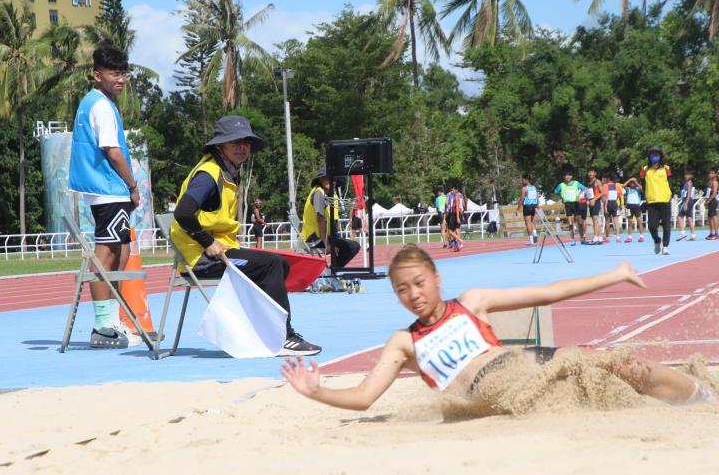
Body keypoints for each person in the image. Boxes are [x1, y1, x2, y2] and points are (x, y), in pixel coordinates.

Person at [281, 244, 715, 412]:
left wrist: (613, 274)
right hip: (492, 395)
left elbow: (548, 293)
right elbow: (364, 396)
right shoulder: (403, 342)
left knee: (616, 366)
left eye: (419, 283)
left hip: (530, 365)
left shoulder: (472, 302)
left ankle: (700, 398)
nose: (413, 294)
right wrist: (316, 391)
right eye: (401, 290)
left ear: (436, 280)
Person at [171, 115, 321, 356]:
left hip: (221, 251)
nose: (242, 147)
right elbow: (183, 212)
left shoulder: (227, 172)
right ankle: (282, 337)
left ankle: (266, 332)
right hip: (200, 259)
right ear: (220, 146)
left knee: (280, 262)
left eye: (246, 142)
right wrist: (207, 242)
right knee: (271, 265)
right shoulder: (209, 174)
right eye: (235, 142)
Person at [68, 44, 141, 349]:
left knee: (120, 251)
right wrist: (132, 185)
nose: (120, 79)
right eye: (114, 73)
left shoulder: (95, 102)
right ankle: (102, 326)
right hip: (108, 190)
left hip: (108, 191)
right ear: (97, 75)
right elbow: (112, 151)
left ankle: (112, 321)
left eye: (123, 73)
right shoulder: (100, 105)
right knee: (107, 254)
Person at [302, 167, 361, 269]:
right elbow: (320, 219)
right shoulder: (319, 193)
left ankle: (333, 270)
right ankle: (333, 271)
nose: (331, 181)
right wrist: (328, 245)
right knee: (353, 246)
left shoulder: (330, 194)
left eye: (333, 178)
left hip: (323, 236)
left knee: (349, 245)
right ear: (320, 180)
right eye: (326, 178)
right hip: (315, 239)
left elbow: (333, 219)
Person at [637, 146, 673, 254]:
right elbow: (643, 184)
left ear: (660, 156)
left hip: (665, 200)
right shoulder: (645, 169)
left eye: (656, 154)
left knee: (666, 225)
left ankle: (665, 246)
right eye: (652, 154)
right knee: (652, 226)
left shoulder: (666, 168)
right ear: (649, 156)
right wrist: (645, 197)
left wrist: (670, 194)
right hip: (652, 201)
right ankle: (657, 240)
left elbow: (670, 183)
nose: (654, 156)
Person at [553, 168, 586, 246]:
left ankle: (582, 238)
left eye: (568, 175)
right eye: (565, 175)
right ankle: (572, 239)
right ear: (563, 177)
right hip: (567, 205)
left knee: (580, 222)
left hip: (576, 204)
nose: (567, 177)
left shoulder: (576, 183)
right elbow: (555, 191)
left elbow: (584, 189)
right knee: (570, 223)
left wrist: (580, 194)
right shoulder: (561, 185)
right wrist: (562, 196)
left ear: (571, 176)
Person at [602, 172, 625, 244]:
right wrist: (621, 204)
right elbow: (620, 195)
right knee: (616, 221)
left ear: (608, 179)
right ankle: (618, 237)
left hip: (608, 203)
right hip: (615, 204)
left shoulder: (605, 186)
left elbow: (605, 197)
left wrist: (605, 207)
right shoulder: (617, 186)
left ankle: (607, 237)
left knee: (607, 221)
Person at [516, 175, 538, 246]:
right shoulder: (534, 187)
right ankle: (535, 235)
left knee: (528, 223)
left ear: (526, 180)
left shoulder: (524, 188)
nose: (522, 182)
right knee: (533, 222)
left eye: (522, 180)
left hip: (527, 206)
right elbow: (537, 198)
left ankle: (531, 240)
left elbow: (522, 199)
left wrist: (518, 208)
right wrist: (537, 206)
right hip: (533, 206)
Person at [676, 169, 697, 241]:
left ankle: (682, 233)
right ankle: (693, 235)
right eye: (685, 174)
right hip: (689, 201)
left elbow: (688, 194)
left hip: (686, 200)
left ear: (692, 176)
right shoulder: (687, 182)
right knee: (689, 217)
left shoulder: (689, 183)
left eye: (687, 174)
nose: (685, 176)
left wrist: (686, 203)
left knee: (679, 216)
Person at [622, 177, 645, 242]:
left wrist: (635, 182)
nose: (632, 184)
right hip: (629, 206)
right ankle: (629, 237)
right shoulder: (628, 189)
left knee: (639, 221)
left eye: (633, 182)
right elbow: (623, 186)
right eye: (631, 183)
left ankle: (641, 236)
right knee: (630, 223)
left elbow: (641, 188)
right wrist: (629, 180)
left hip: (636, 206)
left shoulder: (638, 189)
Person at [585, 168, 604, 245]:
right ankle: (600, 238)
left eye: (592, 172)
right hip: (591, 202)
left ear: (595, 173)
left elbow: (602, 193)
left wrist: (594, 200)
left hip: (596, 202)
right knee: (594, 220)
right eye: (589, 172)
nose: (590, 174)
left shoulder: (597, 181)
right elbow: (589, 193)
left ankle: (595, 237)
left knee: (595, 219)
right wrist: (588, 200)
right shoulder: (589, 183)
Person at [706, 168, 719, 240]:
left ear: (715, 174)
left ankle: (716, 233)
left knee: (713, 217)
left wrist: (708, 200)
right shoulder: (710, 182)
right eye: (709, 173)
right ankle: (711, 233)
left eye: (712, 173)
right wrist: (707, 200)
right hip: (710, 200)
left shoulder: (715, 182)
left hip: (713, 200)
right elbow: (708, 193)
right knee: (709, 217)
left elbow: (714, 194)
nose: (710, 174)